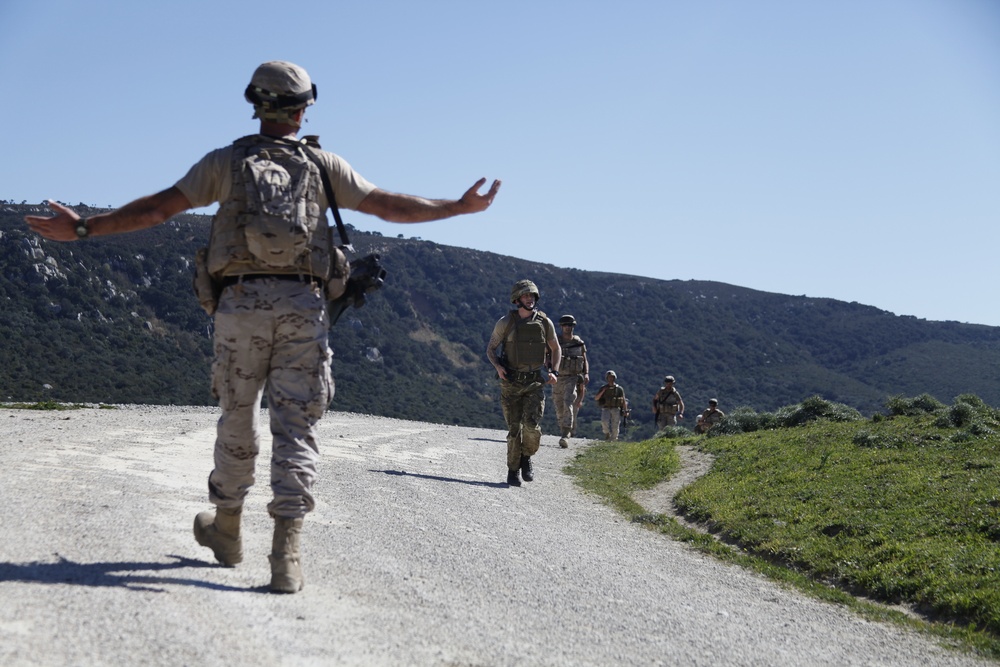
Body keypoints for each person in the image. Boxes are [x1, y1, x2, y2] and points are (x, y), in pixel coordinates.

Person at [25, 60, 501, 594]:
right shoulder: (323, 166)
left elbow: (158, 209)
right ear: (304, 109)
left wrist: (85, 228)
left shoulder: (225, 164)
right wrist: (457, 207)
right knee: (296, 426)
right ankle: (286, 556)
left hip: (240, 303)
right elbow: (390, 207)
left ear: (255, 103)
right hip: (305, 304)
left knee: (237, 413)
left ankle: (226, 529)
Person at [486, 280, 561, 486]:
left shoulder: (545, 323)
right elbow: (490, 349)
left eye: (533, 296)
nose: (530, 299)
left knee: (531, 427)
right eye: (526, 296)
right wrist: (498, 367)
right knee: (514, 430)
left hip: (535, 382)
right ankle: (512, 471)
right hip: (511, 383)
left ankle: (526, 457)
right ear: (517, 299)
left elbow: (555, 348)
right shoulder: (505, 323)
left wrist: (554, 371)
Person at [552, 314, 589, 448]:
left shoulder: (578, 342)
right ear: (561, 327)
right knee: (559, 406)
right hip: (557, 377)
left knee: (568, 401)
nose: (568, 328)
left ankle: (566, 433)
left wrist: (586, 373)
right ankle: (563, 428)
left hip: (572, 377)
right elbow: (547, 355)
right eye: (565, 325)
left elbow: (584, 358)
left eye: (570, 325)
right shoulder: (556, 342)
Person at [594, 370, 627, 441]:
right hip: (606, 408)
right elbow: (596, 398)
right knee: (604, 421)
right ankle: (607, 433)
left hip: (616, 408)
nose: (610, 379)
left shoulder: (619, 389)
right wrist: (603, 391)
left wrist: (625, 410)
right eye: (609, 377)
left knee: (615, 425)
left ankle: (614, 440)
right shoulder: (603, 388)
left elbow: (623, 400)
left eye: (612, 377)